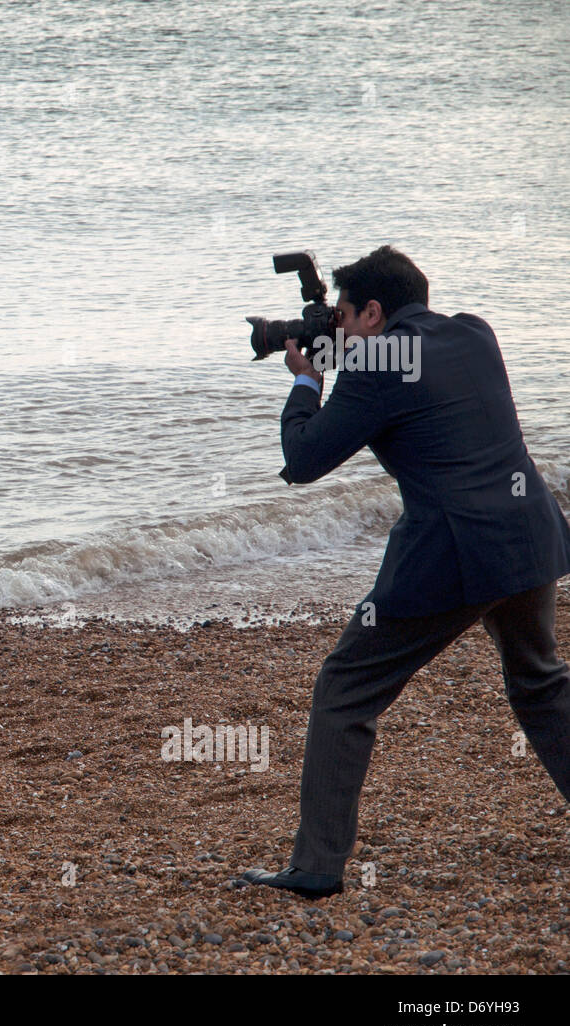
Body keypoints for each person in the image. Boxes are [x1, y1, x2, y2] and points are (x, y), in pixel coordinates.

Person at [241, 245, 570, 898]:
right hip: (530, 535)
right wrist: (345, 354)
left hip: (453, 553)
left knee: (345, 688)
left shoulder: (372, 366)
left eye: (343, 314)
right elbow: (410, 378)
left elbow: (305, 459)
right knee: (539, 682)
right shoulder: (475, 332)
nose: (336, 326)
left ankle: (316, 868)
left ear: (371, 310)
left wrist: (308, 380)